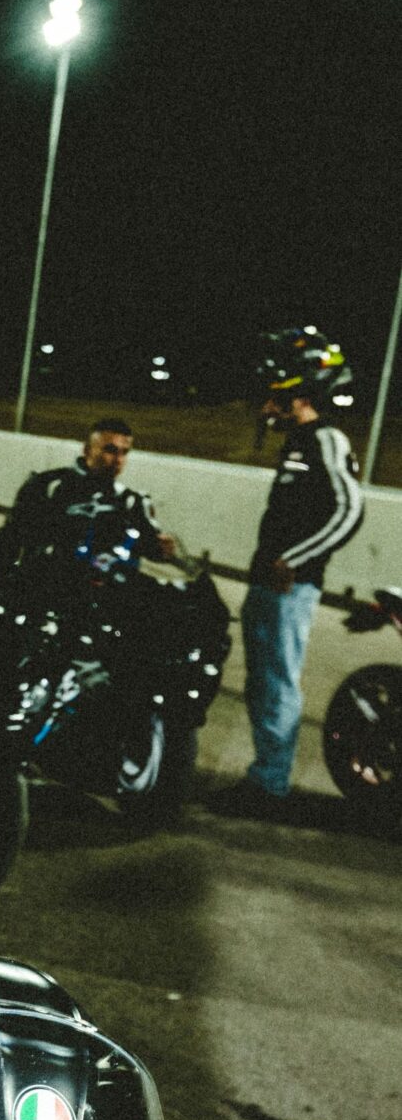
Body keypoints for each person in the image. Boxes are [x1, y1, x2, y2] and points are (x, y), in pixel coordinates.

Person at [220, 332, 363, 816]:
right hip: (268, 583)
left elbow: (349, 511)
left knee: (278, 683)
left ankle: (270, 786)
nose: (266, 405)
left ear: (299, 394)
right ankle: (265, 775)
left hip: (291, 587)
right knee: (262, 683)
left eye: (274, 395)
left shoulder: (326, 439)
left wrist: (294, 560)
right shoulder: (297, 442)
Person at [0, 417, 178, 588]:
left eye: (124, 452)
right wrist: (2, 584)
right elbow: (10, 538)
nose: (118, 460)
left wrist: (162, 549)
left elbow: (150, 547)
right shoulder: (48, 486)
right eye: (110, 450)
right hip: (47, 587)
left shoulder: (130, 501)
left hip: (107, 593)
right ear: (88, 449)